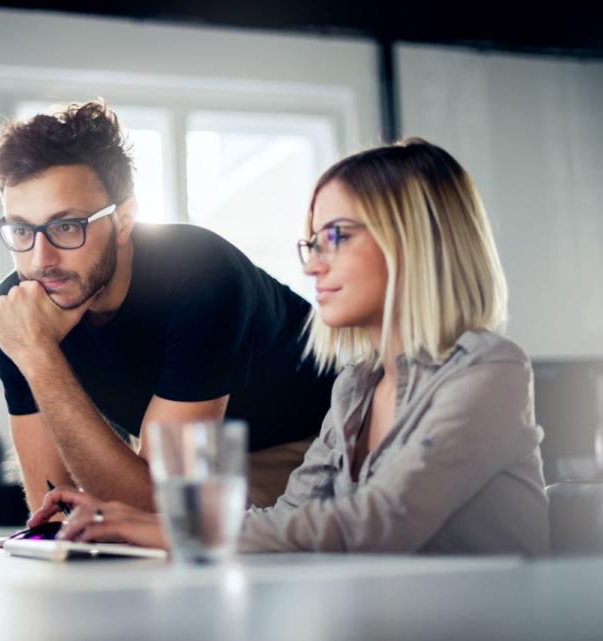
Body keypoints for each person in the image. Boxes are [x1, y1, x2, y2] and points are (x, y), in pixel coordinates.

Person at [28, 138, 551, 556]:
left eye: (338, 237)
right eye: (312, 241)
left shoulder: (490, 370)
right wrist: (131, 521)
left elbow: (383, 522)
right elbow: (290, 516)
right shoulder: (356, 387)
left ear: (415, 240)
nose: (312, 265)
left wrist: (179, 533)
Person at [0, 101, 334, 513]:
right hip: (175, 453)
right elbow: (51, 504)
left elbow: (161, 510)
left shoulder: (200, 276)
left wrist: (40, 357)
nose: (41, 260)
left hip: (297, 446)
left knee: (184, 547)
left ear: (124, 219)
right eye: (22, 230)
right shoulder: (18, 306)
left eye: (66, 226)